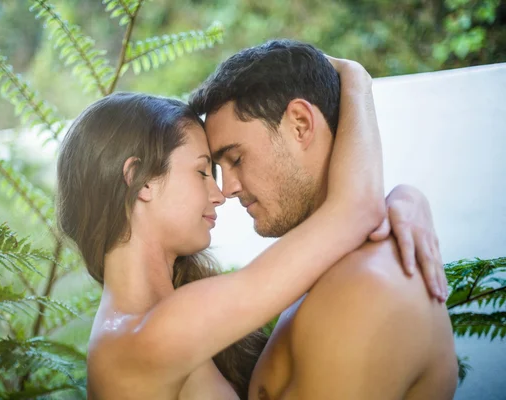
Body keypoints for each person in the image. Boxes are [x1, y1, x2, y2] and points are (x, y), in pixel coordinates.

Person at [190, 39, 458, 399]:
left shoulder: (362, 292)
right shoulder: (326, 270)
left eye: (236, 159)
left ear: (300, 124)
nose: (229, 189)